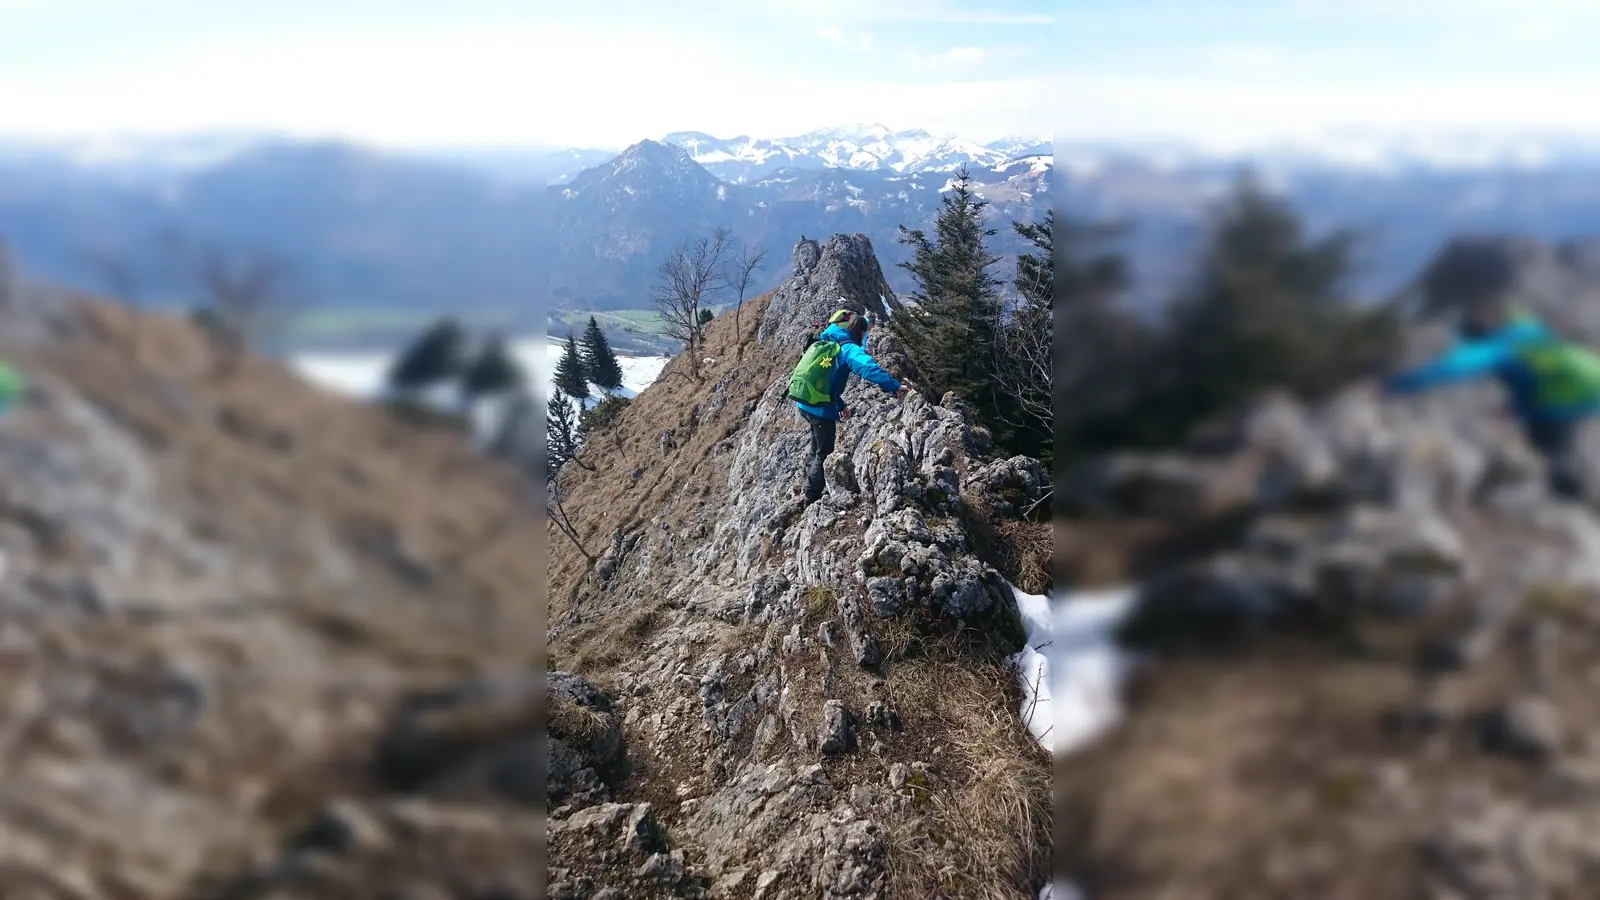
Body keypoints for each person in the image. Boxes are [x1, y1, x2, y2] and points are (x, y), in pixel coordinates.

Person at [1384, 298, 1600, 500]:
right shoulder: (1524, 330)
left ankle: (1569, 493)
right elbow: (1534, 374)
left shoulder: (1494, 349)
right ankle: (1576, 483)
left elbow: (1450, 368)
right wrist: (1515, 407)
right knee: (1555, 434)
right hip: (1590, 372)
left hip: (1567, 394)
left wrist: (1396, 385)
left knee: (1546, 442)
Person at [788, 308, 907, 503]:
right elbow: (868, 368)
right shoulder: (848, 348)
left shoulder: (828, 338)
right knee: (824, 452)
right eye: (864, 333)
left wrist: (840, 404)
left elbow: (827, 381)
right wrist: (894, 386)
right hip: (820, 408)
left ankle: (810, 480)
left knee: (816, 445)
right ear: (859, 332)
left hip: (805, 402)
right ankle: (811, 496)